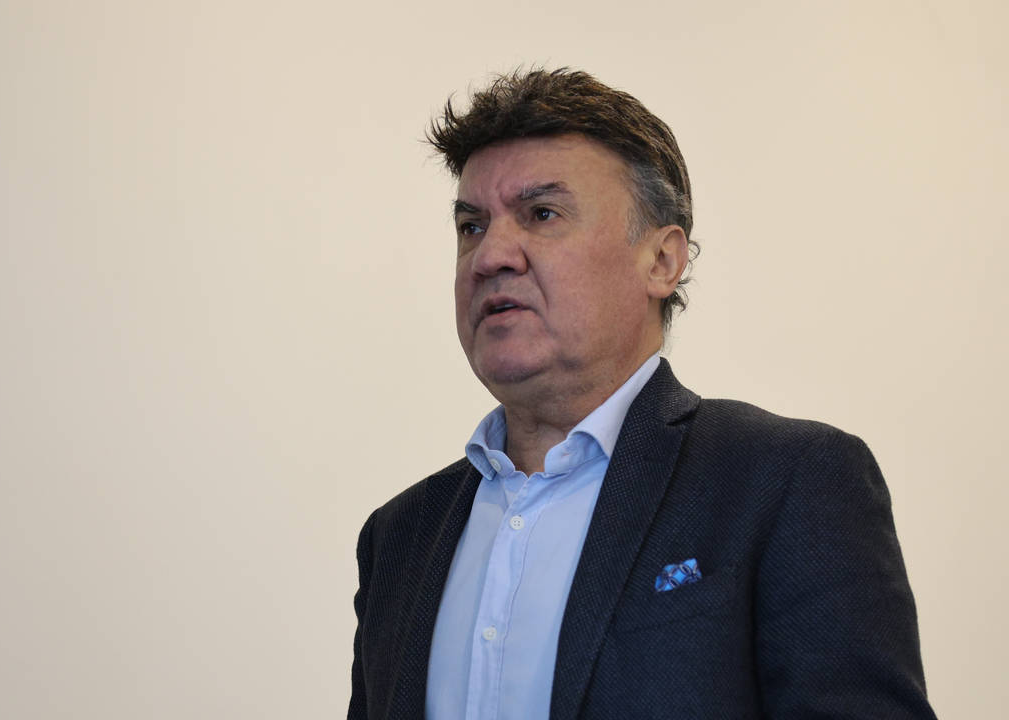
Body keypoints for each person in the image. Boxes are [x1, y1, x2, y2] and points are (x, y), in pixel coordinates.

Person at [348, 68, 935, 720]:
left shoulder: (785, 481)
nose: (491, 257)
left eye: (542, 214)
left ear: (662, 261)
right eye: (471, 226)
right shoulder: (398, 537)